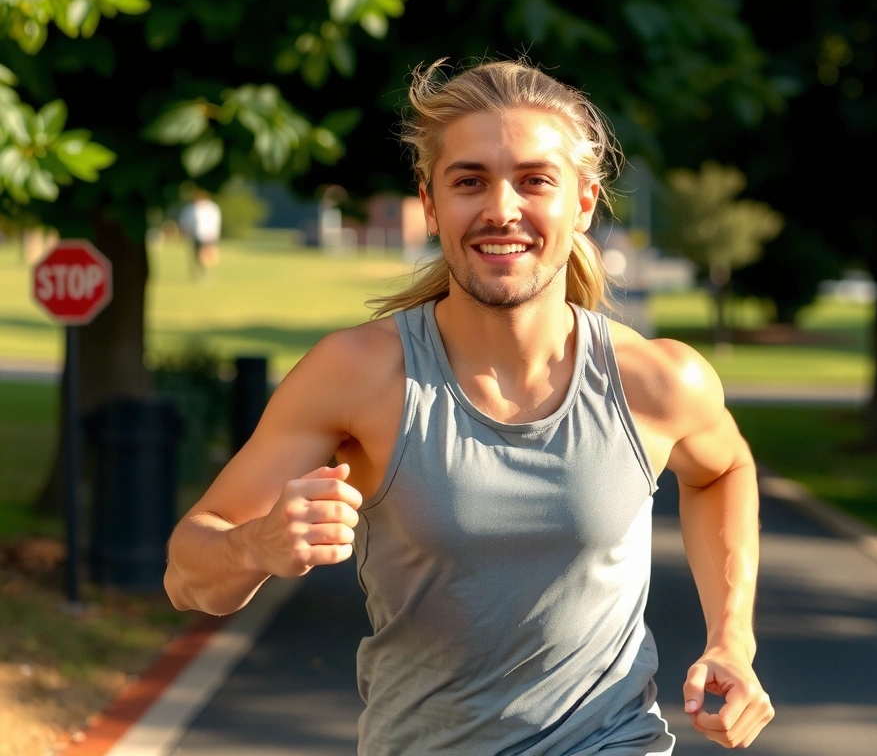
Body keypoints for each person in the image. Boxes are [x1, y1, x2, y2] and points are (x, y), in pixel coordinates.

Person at [164, 58, 773, 753]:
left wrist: (733, 637)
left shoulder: (658, 380)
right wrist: (256, 545)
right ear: (430, 204)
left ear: (583, 203)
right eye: (470, 181)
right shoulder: (358, 375)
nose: (501, 209)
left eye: (535, 180)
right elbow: (187, 573)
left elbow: (723, 471)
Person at [177, 189, 222, 279]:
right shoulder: (190, 208)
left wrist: (214, 233)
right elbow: (185, 222)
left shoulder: (211, 207)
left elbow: (216, 221)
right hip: (195, 235)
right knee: (196, 255)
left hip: (209, 235)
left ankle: (208, 272)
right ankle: (198, 273)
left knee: (207, 255)